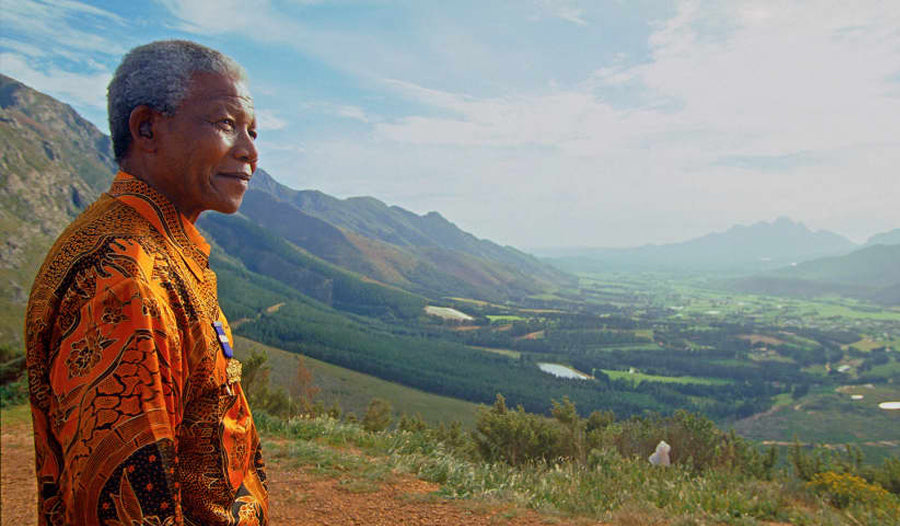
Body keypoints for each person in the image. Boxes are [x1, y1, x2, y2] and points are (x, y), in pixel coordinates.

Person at [25, 40, 267, 525]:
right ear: (147, 128)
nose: (249, 151)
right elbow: (126, 506)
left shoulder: (155, 249)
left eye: (252, 131)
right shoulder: (126, 279)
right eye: (225, 124)